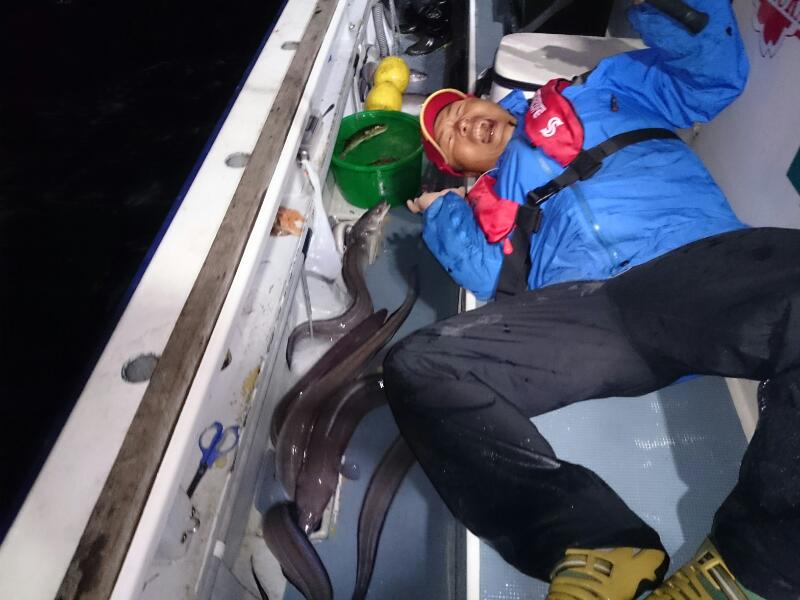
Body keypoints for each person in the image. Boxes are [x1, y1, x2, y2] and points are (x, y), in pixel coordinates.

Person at [383, 1, 800, 599]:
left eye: (463, 109)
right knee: (419, 366)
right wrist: (444, 209)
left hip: (692, 259)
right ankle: (595, 544)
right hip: (598, 311)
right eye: (451, 136)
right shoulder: (488, 205)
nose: (466, 123)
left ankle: (747, 571)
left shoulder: (594, 90)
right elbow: (481, 272)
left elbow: (712, 78)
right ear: (458, 167)